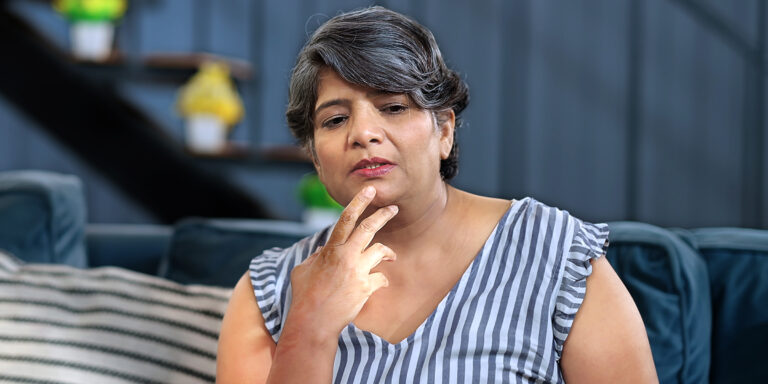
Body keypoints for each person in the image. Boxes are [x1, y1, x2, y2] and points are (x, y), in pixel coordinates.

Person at [217, 6, 657, 383]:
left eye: (393, 107)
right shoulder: (269, 290)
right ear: (315, 157)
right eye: (334, 120)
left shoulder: (556, 255)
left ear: (443, 130)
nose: (364, 133)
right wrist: (308, 328)